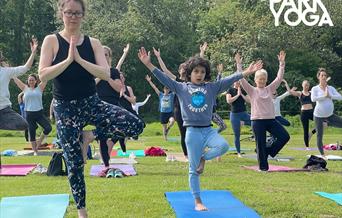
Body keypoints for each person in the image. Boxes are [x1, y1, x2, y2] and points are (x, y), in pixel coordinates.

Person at [38, 1, 144, 217]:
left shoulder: (93, 43)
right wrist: (68, 59)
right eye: (69, 12)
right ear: (62, 14)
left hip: (91, 102)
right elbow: (43, 75)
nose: (73, 17)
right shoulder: (51, 41)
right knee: (74, 162)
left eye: (77, 13)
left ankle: (90, 134)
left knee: (135, 124)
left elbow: (105, 74)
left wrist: (79, 59)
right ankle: (82, 211)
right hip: (65, 108)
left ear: (83, 15)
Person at [138, 47, 262, 211]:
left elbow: (229, 79)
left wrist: (246, 71)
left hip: (208, 130)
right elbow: (164, 79)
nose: (199, 74)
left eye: (202, 72)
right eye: (196, 71)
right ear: (189, 73)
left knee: (223, 146)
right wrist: (149, 65)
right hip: (192, 132)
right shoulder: (181, 87)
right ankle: (198, 201)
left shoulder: (212, 87)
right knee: (193, 169)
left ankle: (203, 157)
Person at [239, 51, 290, 172]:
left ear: (266, 80)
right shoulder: (251, 90)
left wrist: (281, 64)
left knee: (284, 136)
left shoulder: (270, 88)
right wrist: (239, 66)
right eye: (260, 79)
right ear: (256, 80)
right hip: (257, 121)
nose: (262, 81)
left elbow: (279, 78)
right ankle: (263, 168)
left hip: (271, 120)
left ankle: (268, 152)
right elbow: (241, 79)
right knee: (260, 144)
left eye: (264, 79)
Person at [153, 47, 188, 156]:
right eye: (182, 67)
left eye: (185, 67)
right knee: (183, 133)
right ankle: (186, 155)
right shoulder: (177, 81)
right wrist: (159, 57)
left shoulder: (192, 82)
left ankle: (194, 153)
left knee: (192, 134)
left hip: (189, 110)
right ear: (179, 70)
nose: (184, 69)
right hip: (179, 110)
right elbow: (165, 71)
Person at [0, 38, 37, 131]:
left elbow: (25, 68)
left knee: (23, 125)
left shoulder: (6, 71)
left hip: (4, 110)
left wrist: (33, 53)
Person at [12, 75, 52, 155]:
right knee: (32, 132)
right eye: (30, 80)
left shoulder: (40, 88)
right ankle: (35, 151)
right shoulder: (25, 88)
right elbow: (16, 80)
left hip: (39, 113)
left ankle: (38, 143)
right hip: (29, 114)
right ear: (28, 81)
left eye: (33, 80)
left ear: (36, 81)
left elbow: (46, 78)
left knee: (48, 128)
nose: (31, 82)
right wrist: (10, 71)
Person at [311, 68, 342, 156]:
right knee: (319, 135)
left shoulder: (330, 88)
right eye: (322, 75)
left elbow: (340, 97)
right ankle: (322, 154)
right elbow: (313, 99)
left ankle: (327, 123)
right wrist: (324, 96)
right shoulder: (315, 88)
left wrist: (330, 96)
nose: (324, 77)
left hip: (330, 115)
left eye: (325, 75)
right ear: (318, 77)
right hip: (318, 116)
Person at [284, 79, 317, 149]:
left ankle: (311, 133)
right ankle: (307, 146)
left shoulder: (311, 92)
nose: (306, 86)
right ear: (302, 85)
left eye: (307, 85)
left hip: (311, 112)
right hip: (304, 113)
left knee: (324, 123)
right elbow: (290, 92)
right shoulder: (300, 93)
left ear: (309, 86)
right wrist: (286, 83)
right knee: (305, 130)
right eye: (305, 85)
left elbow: (319, 90)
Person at [146, 74, 175, 141]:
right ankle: (165, 138)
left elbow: (175, 87)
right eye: (166, 89)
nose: (167, 90)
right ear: (164, 89)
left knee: (172, 121)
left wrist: (173, 79)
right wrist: (150, 81)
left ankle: (169, 128)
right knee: (164, 126)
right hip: (163, 113)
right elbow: (155, 88)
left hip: (169, 112)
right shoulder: (160, 94)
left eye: (168, 89)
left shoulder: (171, 95)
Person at [226, 78, 251, 157]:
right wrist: (237, 95)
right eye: (237, 81)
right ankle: (239, 153)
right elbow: (229, 101)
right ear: (234, 82)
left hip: (243, 114)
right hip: (235, 115)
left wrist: (241, 94)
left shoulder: (243, 90)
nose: (238, 82)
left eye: (239, 81)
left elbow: (249, 101)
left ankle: (243, 122)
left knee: (255, 122)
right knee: (237, 135)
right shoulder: (230, 90)